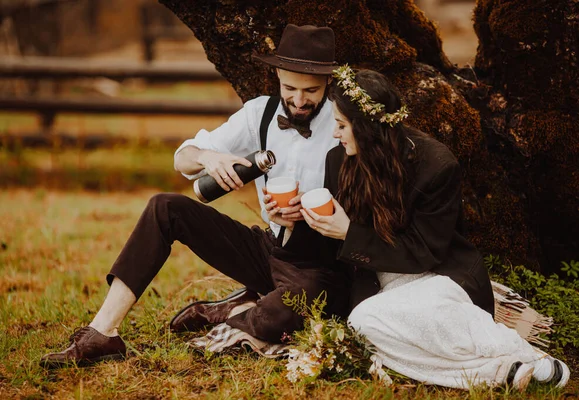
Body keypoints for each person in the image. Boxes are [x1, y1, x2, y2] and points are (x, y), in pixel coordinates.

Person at [40, 24, 352, 368]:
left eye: (311, 91)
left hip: (317, 265)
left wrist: (311, 212)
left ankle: (242, 309)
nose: (298, 100)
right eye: (289, 87)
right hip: (268, 248)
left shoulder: (345, 122)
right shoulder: (259, 112)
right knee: (166, 207)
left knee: (283, 316)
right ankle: (103, 332)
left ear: (328, 83)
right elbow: (182, 157)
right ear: (276, 74)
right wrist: (209, 157)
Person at [299, 66, 570, 390]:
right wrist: (295, 223)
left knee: (432, 308)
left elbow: (424, 251)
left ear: (368, 127)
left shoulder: (436, 165)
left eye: (342, 125)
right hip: (380, 289)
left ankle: (525, 357)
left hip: (436, 275)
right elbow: (333, 252)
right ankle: (502, 372)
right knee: (362, 324)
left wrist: (349, 232)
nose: (335, 134)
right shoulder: (338, 161)